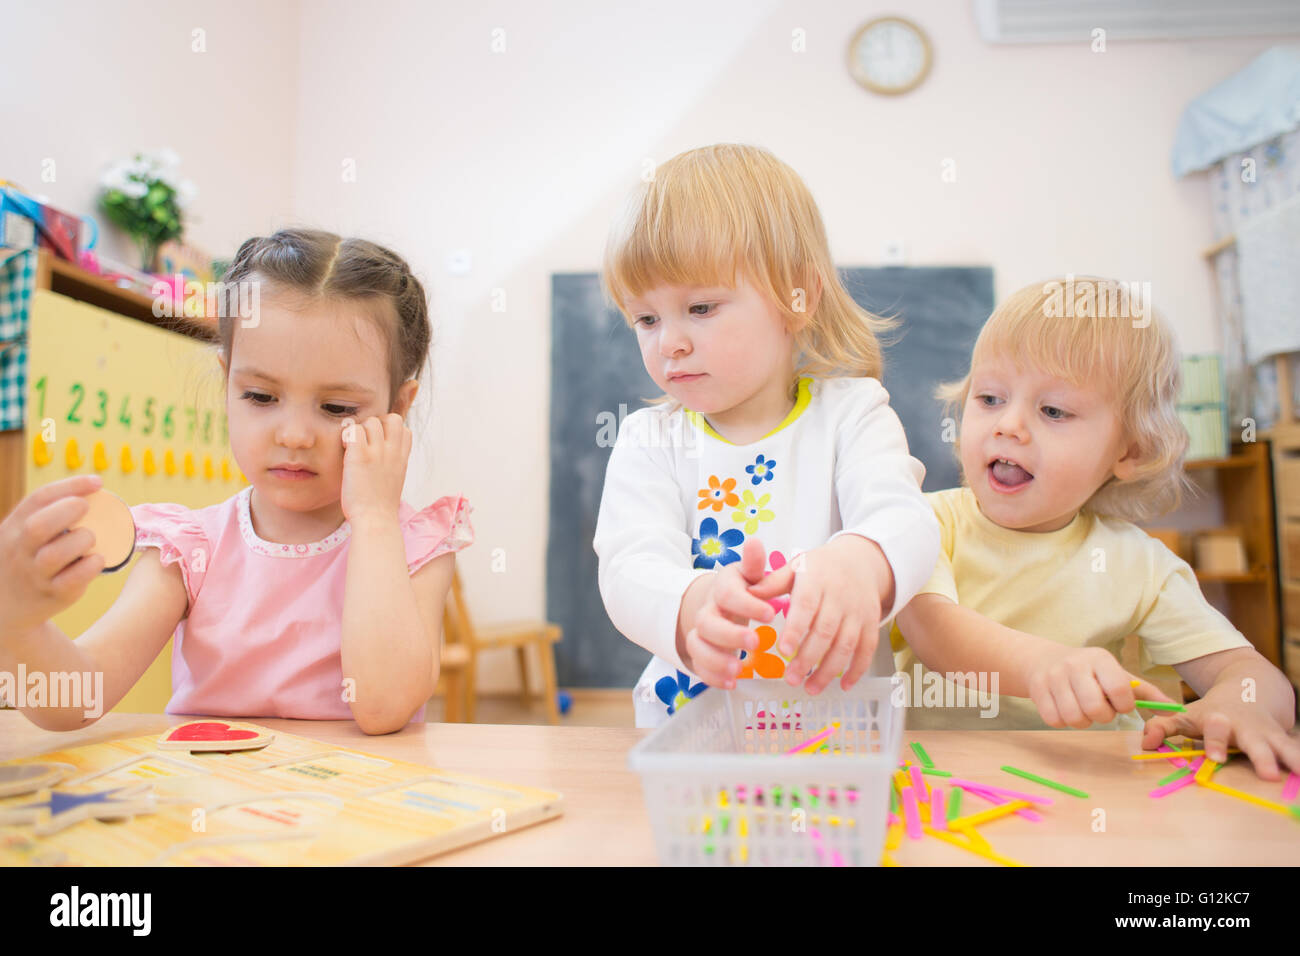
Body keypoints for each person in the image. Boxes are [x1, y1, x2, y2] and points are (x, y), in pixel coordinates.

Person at [0, 228, 472, 734]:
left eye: (336, 408)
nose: (293, 435)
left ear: (397, 408)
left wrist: (376, 519)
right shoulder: (190, 549)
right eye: (260, 397)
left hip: (356, 805)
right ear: (227, 381)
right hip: (214, 805)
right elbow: (75, 702)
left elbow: (384, 707)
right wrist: (16, 625)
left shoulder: (415, 547)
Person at [594, 144, 939, 727]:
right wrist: (690, 606)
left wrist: (859, 563)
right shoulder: (648, 439)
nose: (667, 342)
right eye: (646, 319)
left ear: (797, 297)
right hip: (694, 731)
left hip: (837, 733)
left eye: (700, 307)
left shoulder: (853, 414)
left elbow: (905, 519)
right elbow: (629, 563)